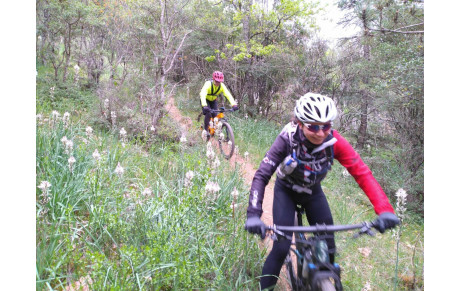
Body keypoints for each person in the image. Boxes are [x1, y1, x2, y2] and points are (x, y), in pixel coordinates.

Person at [244, 93, 400, 290]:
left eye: (325, 126)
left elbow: (362, 173)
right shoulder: (287, 139)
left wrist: (385, 210)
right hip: (286, 191)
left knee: (328, 247)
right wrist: (253, 214)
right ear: (300, 123)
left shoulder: (335, 143)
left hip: (312, 192)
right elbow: (262, 175)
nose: (320, 133)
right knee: (281, 248)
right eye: (313, 126)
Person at [200, 71, 238, 137]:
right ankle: (206, 131)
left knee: (215, 115)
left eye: (219, 82)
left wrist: (234, 104)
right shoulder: (208, 84)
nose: (218, 83)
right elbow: (202, 94)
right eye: (216, 81)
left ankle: (214, 131)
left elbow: (228, 94)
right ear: (213, 79)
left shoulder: (222, 86)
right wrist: (204, 105)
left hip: (213, 100)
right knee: (208, 113)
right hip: (205, 100)